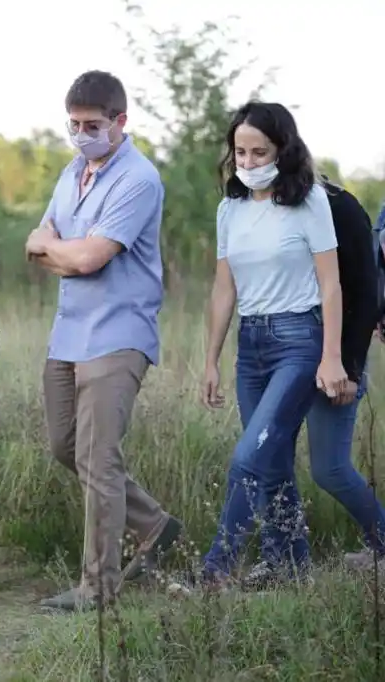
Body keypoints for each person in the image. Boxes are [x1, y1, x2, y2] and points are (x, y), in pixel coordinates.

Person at [26, 70, 183, 613]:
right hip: (69, 331)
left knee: (98, 457)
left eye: (92, 125)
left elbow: (91, 257)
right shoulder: (71, 173)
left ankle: (98, 588)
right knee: (65, 446)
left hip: (118, 333)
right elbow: (34, 242)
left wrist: (60, 252)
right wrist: (62, 251)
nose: (80, 133)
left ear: (120, 121)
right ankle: (154, 524)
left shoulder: (139, 179)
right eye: (73, 124)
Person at [199, 101, 349, 587]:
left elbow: (331, 284)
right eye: (239, 152)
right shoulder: (230, 209)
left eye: (257, 152)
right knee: (273, 464)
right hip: (252, 345)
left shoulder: (309, 203)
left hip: (298, 341)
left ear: (282, 150)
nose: (247, 162)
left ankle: (215, 570)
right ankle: (292, 569)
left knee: (249, 455)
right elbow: (224, 289)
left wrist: (331, 357)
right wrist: (211, 361)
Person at [240, 178, 385, 588]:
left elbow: (367, 293)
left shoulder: (340, 206)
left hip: (334, 357)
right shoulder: (256, 207)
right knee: (269, 458)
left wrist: (349, 367)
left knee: (330, 469)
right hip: (279, 354)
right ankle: (285, 562)